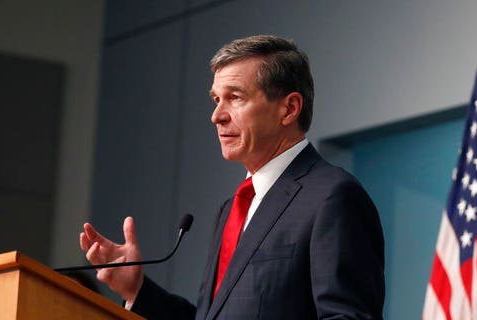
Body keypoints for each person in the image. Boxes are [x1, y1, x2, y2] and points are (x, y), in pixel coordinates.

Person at [79, 35, 385, 319]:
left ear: (289, 108)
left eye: (235, 97)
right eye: (216, 100)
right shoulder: (231, 209)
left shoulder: (332, 197)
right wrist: (137, 289)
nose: (217, 115)